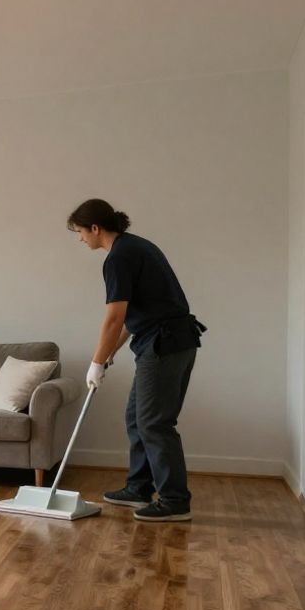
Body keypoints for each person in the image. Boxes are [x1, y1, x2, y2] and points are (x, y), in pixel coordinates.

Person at [69, 199, 205, 522]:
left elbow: (114, 317)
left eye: (80, 232)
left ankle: (174, 500)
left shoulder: (118, 259)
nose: (80, 239)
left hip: (164, 345)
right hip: (168, 342)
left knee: (154, 422)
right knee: (136, 416)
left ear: (95, 228)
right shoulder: (135, 247)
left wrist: (96, 362)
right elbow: (133, 315)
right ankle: (139, 487)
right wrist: (110, 353)